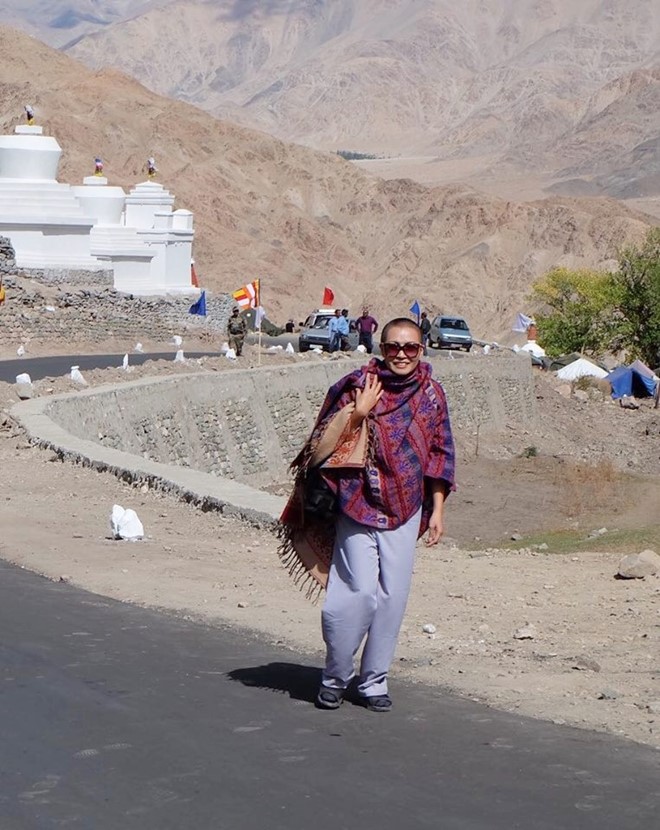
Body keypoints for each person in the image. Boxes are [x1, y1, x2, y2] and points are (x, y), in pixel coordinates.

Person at [279, 317, 455, 713]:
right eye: (393, 347)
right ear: (381, 347)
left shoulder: (431, 395)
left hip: (407, 507)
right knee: (355, 593)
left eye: (410, 348)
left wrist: (438, 509)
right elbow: (319, 446)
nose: (401, 355)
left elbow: (440, 455)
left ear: (422, 350)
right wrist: (358, 414)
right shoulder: (356, 385)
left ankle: (374, 681)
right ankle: (334, 677)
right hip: (356, 503)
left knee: (392, 598)